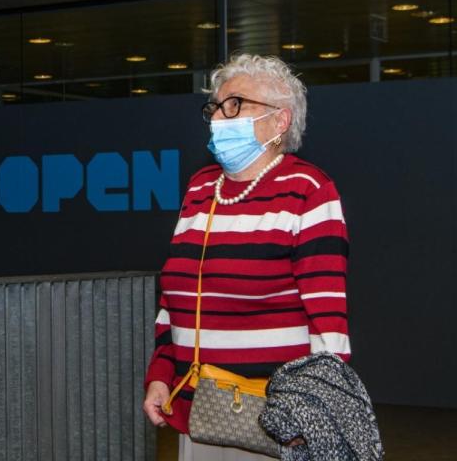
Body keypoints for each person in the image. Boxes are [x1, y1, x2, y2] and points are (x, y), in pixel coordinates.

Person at [142, 54, 350, 461]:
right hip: (200, 411)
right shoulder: (201, 189)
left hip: (275, 420)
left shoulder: (309, 190)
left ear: (280, 121)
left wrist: (312, 415)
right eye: (216, 107)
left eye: (236, 105)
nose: (221, 117)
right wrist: (161, 376)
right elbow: (176, 298)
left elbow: (328, 322)